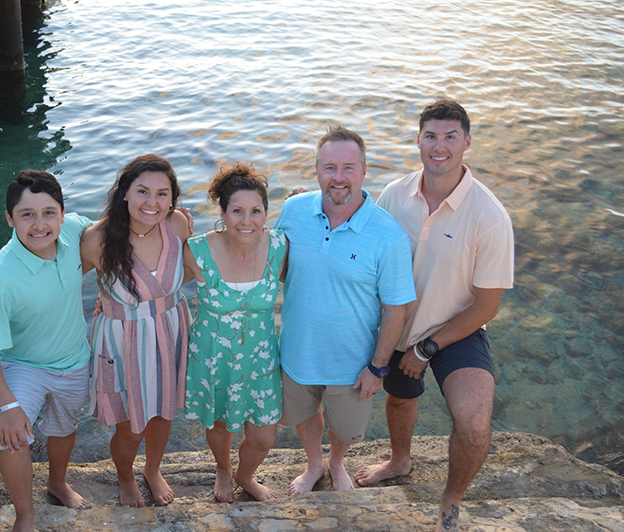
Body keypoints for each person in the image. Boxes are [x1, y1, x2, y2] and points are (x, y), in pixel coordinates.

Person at [355, 100, 514, 532]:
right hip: (399, 325)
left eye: (449, 137)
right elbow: (365, 243)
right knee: (401, 396)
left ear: (466, 142)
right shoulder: (395, 195)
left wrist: (428, 347)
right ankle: (400, 460)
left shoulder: (490, 217)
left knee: (475, 425)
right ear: (419, 140)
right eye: (430, 136)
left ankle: (450, 498)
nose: (439, 146)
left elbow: (486, 306)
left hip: (455, 330)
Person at [275, 125, 416, 495]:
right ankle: (314, 466)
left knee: (344, 428)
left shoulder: (389, 236)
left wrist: (377, 367)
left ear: (364, 172)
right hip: (297, 350)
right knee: (304, 415)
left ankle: (336, 463)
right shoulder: (292, 210)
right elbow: (277, 268)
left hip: (352, 364)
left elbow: (396, 308)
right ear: (317, 171)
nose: (339, 178)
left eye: (348, 168)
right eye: (330, 168)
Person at [0, 170, 92, 532]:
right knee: (11, 438)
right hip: (22, 365)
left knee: (64, 427)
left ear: (62, 212)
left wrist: (176, 219)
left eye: (48, 213)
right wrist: (7, 405)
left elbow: (117, 228)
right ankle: (25, 516)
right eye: (27, 215)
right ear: (10, 219)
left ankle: (57, 483)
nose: (40, 225)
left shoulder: (74, 228)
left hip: (74, 359)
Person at [81, 154, 192, 508]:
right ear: (124, 193)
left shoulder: (177, 225)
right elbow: (62, 284)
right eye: (142, 191)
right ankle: (125, 475)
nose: (152, 202)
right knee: (130, 426)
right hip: (122, 339)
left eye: (162, 194)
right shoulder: (96, 239)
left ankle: (153, 469)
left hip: (171, 330)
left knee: (163, 414)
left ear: (173, 199)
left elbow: (182, 273)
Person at [183, 163, 287, 503]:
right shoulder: (196, 251)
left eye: (256, 211)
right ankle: (224, 469)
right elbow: (159, 283)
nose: (247, 220)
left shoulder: (279, 248)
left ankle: (246, 475)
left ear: (266, 213)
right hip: (213, 357)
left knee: (264, 436)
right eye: (237, 211)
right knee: (219, 426)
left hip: (261, 360)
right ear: (223, 213)